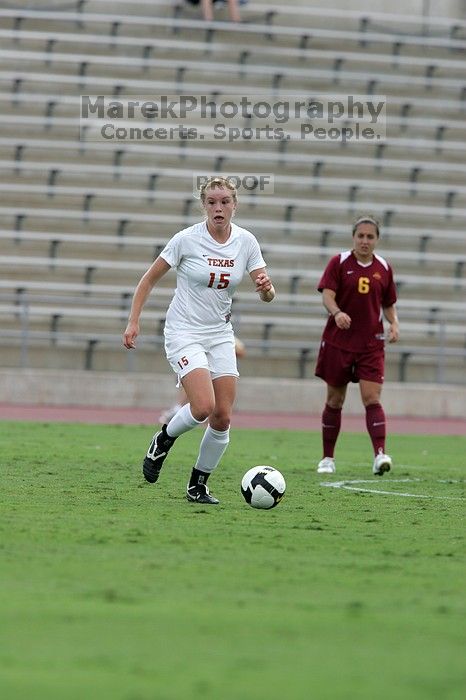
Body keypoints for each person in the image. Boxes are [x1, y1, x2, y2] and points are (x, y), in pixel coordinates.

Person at [123, 176, 275, 504]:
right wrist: (134, 321)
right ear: (203, 205)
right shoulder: (186, 240)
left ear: (235, 205)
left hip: (220, 334)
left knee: (223, 415)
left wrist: (266, 289)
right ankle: (163, 440)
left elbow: (268, 294)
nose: (218, 208)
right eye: (212, 202)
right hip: (184, 332)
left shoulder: (246, 242)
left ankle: (198, 485)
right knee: (203, 406)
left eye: (224, 202)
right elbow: (148, 280)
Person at [314, 215, 399, 476]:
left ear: (377, 240)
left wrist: (394, 324)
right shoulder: (338, 262)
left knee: (372, 398)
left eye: (370, 236)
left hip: (371, 345)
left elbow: (388, 303)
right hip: (339, 343)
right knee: (335, 400)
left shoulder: (384, 267)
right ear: (353, 237)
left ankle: (380, 455)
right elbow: (327, 295)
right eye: (360, 236)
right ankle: (328, 458)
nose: (364, 241)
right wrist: (337, 313)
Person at [158, 335, 246, 424]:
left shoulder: (223, 334)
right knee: (194, 397)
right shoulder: (195, 332)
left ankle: (179, 411)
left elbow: (241, 351)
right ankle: (177, 411)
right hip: (196, 368)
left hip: (214, 371)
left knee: (212, 406)